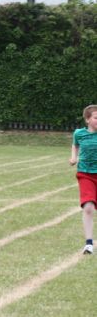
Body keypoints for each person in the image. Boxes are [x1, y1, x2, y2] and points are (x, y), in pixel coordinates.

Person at [70, 104, 97, 255]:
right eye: (96, 118)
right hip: (85, 174)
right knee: (88, 207)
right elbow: (75, 145)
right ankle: (89, 244)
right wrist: (74, 157)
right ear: (87, 119)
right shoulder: (79, 133)